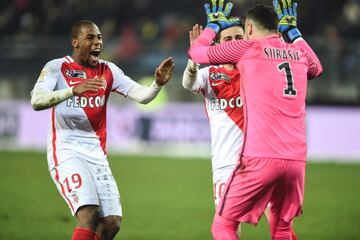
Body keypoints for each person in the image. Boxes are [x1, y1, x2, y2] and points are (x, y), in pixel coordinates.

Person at [188, 1, 323, 239]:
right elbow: (316, 68)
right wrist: (295, 34)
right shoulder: (297, 53)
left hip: (260, 158)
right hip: (296, 160)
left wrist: (212, 27)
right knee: (282, 229)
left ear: (249, 28)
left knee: (223, 226)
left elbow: (197, 53)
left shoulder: (248, 49)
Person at [30, 20, 174, 240]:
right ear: (75, 42)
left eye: (99, 37)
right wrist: (73, 90)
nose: (97, 41)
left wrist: (157, 84)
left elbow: (142, 96)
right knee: (89, 215)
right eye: (90, 38)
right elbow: (37, 100)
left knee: (111, 224)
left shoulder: (108, 70)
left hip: (97, 155)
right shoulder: (56, 67)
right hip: (67, 151)